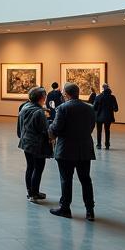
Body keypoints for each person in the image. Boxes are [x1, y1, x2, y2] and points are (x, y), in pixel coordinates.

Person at [48, 82, 97, 220]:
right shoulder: (89, 108)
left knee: (66, 180)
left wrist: (50, 130)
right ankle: (90, 210)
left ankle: (65, 208)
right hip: (85, 149)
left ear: (66, 94)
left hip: (66, 149)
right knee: (86, 180)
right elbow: (91, 126)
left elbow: (56, 128)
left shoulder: (62, 108)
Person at [17, 86, 51, 201]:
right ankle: (33, 193)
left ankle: (31, 192)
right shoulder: (38, 112)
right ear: (42, 98)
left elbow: (19, 128)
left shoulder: (24, 107)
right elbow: (44, 130)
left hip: (26, 142)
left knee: (30, 167)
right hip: (37, 144)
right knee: (38, 168)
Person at [92, 83, 119, 149]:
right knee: (107, 130)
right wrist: (111, 108)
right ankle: (107, 144)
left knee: (99, 131)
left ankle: (99, 144)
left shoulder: (98, 97)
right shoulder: (112, 97)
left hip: (99, 117)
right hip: (108, 117)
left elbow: (94, 107)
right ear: (108, 88)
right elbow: (116, 109)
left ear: (102, 89)